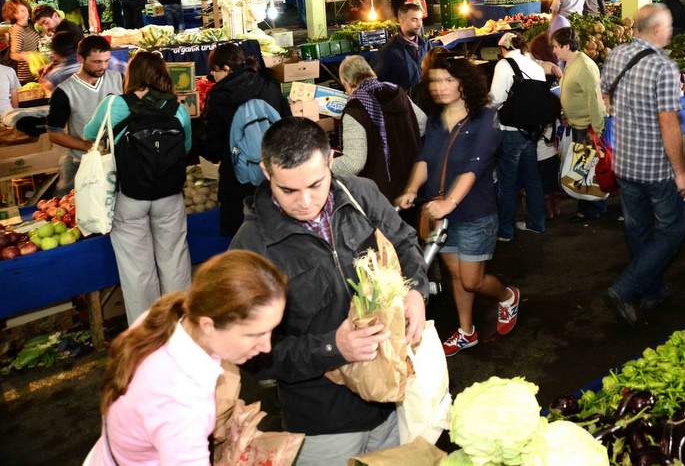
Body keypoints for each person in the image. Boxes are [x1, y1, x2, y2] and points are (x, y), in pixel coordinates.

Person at [230, 118, 427, 465]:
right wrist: (332, 347)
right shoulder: (251, 248)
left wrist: (415, 292)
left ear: (331, 160)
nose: (305, 201)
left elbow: (404, 242)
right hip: (324, 423)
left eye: (316, 185)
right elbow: (254, 356)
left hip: (392, 398)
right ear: (265, 171)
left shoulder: (361, 194)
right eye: (287, 190)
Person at [85, 251, 287, 466]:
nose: (266, 347)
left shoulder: (163, 320)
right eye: (254, 334)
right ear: (208, 325)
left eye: (271, 331)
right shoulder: (181, 406)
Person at [396, 52, 516, 357]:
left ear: (465, 83)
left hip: (474, 212)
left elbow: (475, 166)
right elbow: (424, 159)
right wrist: (411, 189)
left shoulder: (487, 119)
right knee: (456, 278)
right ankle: (466, 331)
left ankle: (506, 296)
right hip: (439, 212)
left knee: (472, 280)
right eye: (435, 80)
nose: (440, 86)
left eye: (448, 80)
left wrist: (449, 202)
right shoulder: (436, 121)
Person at [599, 5, 685, 325]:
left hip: (625, 161)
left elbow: (606, 97)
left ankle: (651, 290)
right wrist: (681, 172)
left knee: (638, 228)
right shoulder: (663, 67)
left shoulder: (615, 55)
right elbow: (669, 123)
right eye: (668, 27)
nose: (670, 32)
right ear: (656, 30)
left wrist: (626, 119)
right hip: (656, 167)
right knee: (672, 230)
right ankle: (625, 289)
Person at [84, 52, 194, 322]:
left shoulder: (115, 105)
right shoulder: (177, 109)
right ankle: (181, 327)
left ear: (131, 75)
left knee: (137, 271)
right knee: (175, 263)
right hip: (169, 196)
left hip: (129, 196)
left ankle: (146, 335)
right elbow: (186, 148)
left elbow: (89, 134)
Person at [199, 43, 291, 236]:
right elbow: (288, 127)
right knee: (277, 236)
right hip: (274, 176)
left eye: (214, 71)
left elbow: (212, 149)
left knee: (244, 240)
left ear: (225, 68)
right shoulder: (269, 85)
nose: (213, 76)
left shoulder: (219, 95)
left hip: (237, 183)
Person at [331, 56, 425, 201]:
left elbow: (353, 163)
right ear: (370, 72)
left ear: (347, 83)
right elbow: (422, 124)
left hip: (381, 195)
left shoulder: (356, 109)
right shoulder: (398, 93)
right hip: (413, 183)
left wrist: (322, 166)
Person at [46, 35, 125, 191]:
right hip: (82, 164)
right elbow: (54, 134)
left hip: (118, 161)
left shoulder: (119, 79)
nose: (103, 66)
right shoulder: (64, 91)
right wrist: (89, 146)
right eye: (96, 62)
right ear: (80, 58)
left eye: (106, 61)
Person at [489, 32, 549, 238]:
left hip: (510, 131)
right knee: (533, 178)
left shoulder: (504, 65)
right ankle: (537, 223)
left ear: (503, 48)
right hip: (531, 131)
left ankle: (505, 230)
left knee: (507, 181)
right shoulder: (535, 65)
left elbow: (495, 99)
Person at [550, 27, 607, 221]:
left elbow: (595, 101)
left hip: (587, 129)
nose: (554, 50)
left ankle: (594, 210)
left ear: (566, 46)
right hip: (577, 126)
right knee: (582, 168)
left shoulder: (584, 67)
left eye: (556, 47)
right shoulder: (571, 63)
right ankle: (587, 208)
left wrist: (598, 130)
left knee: (589, 169)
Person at [373, 3, 434, 92]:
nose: (419, 24)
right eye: (414, 20)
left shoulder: (426, 44)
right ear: (401, 21)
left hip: (425, 101)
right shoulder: (387, 51)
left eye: (420, 19)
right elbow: (379, 84)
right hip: (405, 103)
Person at [5, 0, 42, 83]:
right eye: (17, 12)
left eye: (23, 10)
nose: (22, 14)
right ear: (12, 15)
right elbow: (13, 54)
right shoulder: (17, 30)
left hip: (36, 72)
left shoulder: (31, 25)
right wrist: (29, 56)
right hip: (25, 77)